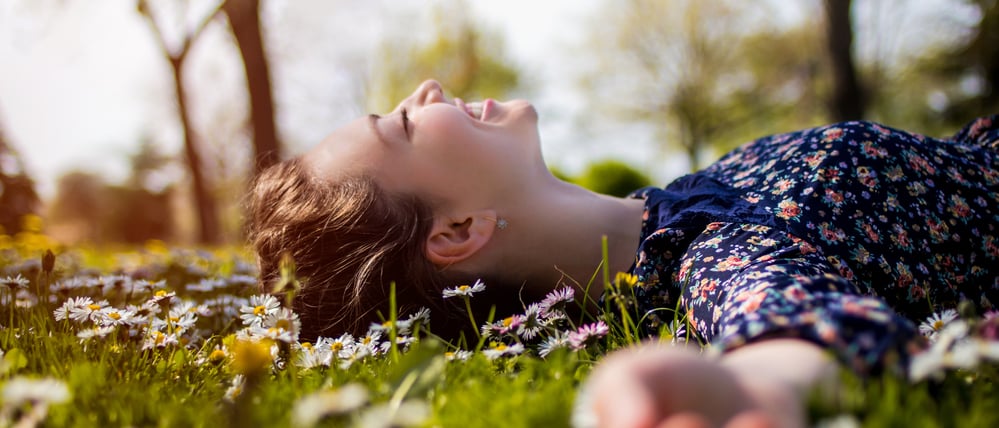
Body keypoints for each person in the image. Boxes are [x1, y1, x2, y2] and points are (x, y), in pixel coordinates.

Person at [246, 79, 999, 427]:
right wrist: (748, 393)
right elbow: (793, 327)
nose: (428, 88)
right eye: (403, 126)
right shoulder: (710, 257)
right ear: (456, 231)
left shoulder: (681, 203)